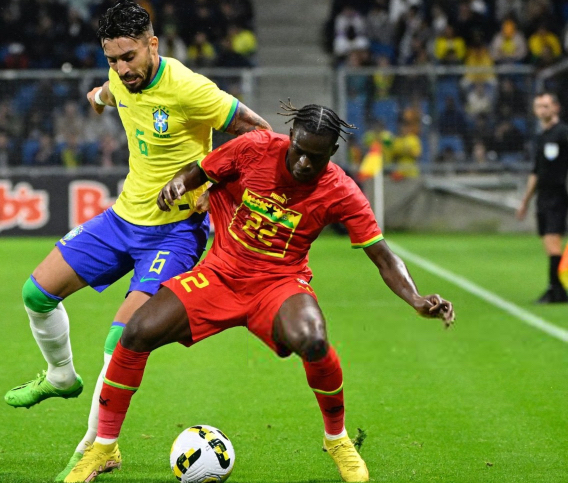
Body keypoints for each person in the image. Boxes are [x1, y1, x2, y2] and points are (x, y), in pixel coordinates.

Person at [65, 102, 456, 483]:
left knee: (314, 340)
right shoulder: (254, 147)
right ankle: (104, 448)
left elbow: (384, 257)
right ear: (290, 137)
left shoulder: (341, 190)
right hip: (220, 273)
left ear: (333, 153)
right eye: (299, 151)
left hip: (279, 283)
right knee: (135, 334)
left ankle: (336, 440)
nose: (304, 163)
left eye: (315, 158)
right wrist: (179, 184)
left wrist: (417, 299)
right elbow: (201, 170)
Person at [3, 2, 271, 480]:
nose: (122, 68)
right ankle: (62, 376)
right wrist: (99, 95)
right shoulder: (120, 81)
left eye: (129, 57)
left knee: (122, 336)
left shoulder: (190, 88)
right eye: (112, 59)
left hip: (175, 232)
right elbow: (108, 93)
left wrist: (215, 184)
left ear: (153, 45)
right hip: (123, 217)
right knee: (36, 294)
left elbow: (261, 134)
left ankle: (98, 447)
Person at [517, 91, 568, 303]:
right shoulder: (540, 138)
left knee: (552, 240)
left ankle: (555, 289)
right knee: (548, 242)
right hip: (543, 197)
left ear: (556, 108)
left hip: (558, 195)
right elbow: (535, 172)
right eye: (539, 106)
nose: (542, 110)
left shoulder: (563, 133)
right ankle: (557, 289)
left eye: (546, 106)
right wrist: (525, 202)